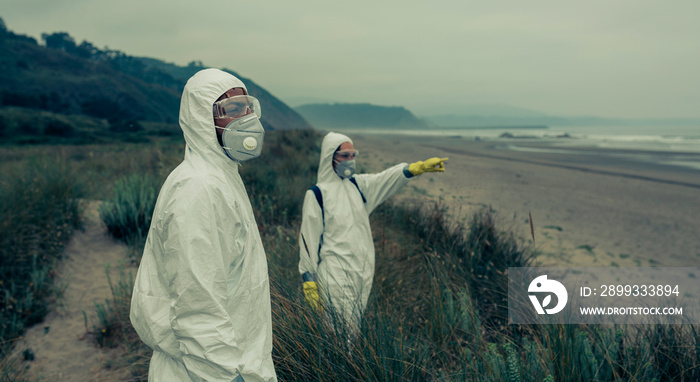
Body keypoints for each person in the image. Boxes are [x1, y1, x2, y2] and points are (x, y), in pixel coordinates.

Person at [130, 68, 277, 382]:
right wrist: (225, 377)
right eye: (233, 110)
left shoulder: (221, 178)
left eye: (248, 107)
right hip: (204, 373)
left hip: (232, 362)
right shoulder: (199, 189)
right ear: (202, 119)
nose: (247, 118)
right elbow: (197, 308)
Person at [298, 131, 447, 331]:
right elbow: (308, 239)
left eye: (353, 155)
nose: (350, 160)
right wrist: (309, 281)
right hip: (334, 277)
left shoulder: (358, 186)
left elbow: (385, 179)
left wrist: (416, 168)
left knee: (353, 330)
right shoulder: (317, 194)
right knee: (337, 333)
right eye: (344, 156)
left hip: (362, 275)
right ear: (330, 157)